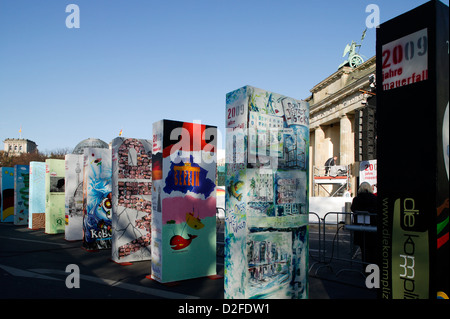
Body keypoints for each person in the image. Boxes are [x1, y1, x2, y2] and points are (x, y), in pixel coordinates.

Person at [351, 182, 377, 264]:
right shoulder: (374, 198)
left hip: (360, 228)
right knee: (372, 250)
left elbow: (353, 209)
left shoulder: (356, 199)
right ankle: (372, 269)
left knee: (364, 250)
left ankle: (365, 268)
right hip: (372, 228)